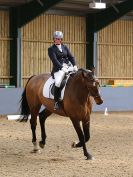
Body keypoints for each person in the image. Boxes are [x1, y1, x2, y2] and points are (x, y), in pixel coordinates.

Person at [48, 31, 78, 110]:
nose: (57, 40)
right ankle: (56, 102)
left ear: (61, 39)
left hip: (68, 66)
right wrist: (61, 67)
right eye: (56, 39)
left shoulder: (65, 47)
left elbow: (71, 57)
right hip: (58, 69)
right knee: (58, 83)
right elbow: (54, 60)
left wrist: (74, 65)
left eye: (59, 39)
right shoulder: (51, 49)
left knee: (78, 76)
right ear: (53, 39)